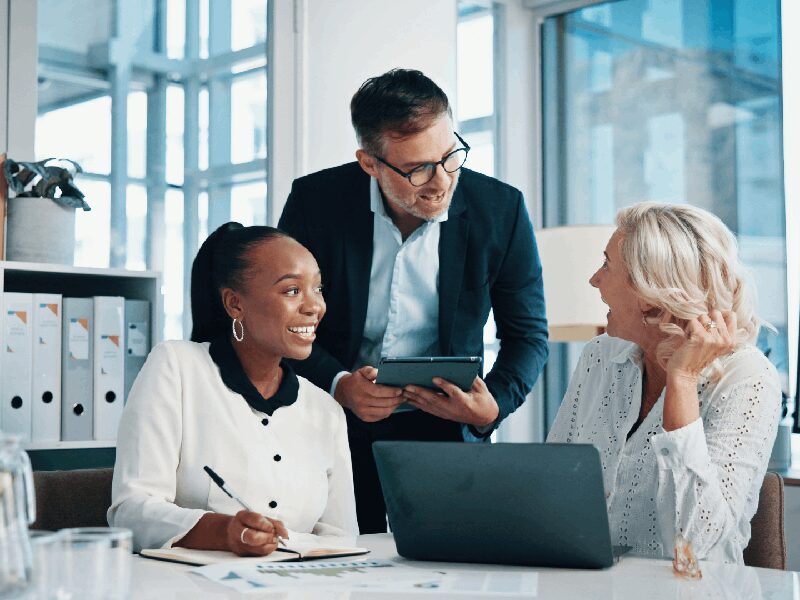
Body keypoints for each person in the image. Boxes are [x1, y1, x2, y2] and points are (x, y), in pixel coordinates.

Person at [278, 68, 548, 533]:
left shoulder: (500, 210)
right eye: (418, 168)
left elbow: (528, 336)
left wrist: (493, 406)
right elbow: (284, 321)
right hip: (335, 420)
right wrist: (339, 383)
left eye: (449, 157)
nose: (441, 182)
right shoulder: (316, 201)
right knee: (342, 559)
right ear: (370, 163)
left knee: (449, 562)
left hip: (447, 427)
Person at [547, 202, 781, 564]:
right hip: (587, 583)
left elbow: (695, 545)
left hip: (693, 588)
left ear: (649, 295)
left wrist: (682, 381)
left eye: (607, 265)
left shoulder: (748, 378)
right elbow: (551, 484)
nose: (594, 279)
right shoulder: (599, 356)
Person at [108, 223, 358, 553]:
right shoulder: (176, 367)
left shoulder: (325, 409)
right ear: (235, 304)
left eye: (318, 288)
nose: (315, 306)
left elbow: (343, 538)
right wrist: (225, 532)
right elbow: (131, 512)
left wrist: (281, 543)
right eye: (292, 291)